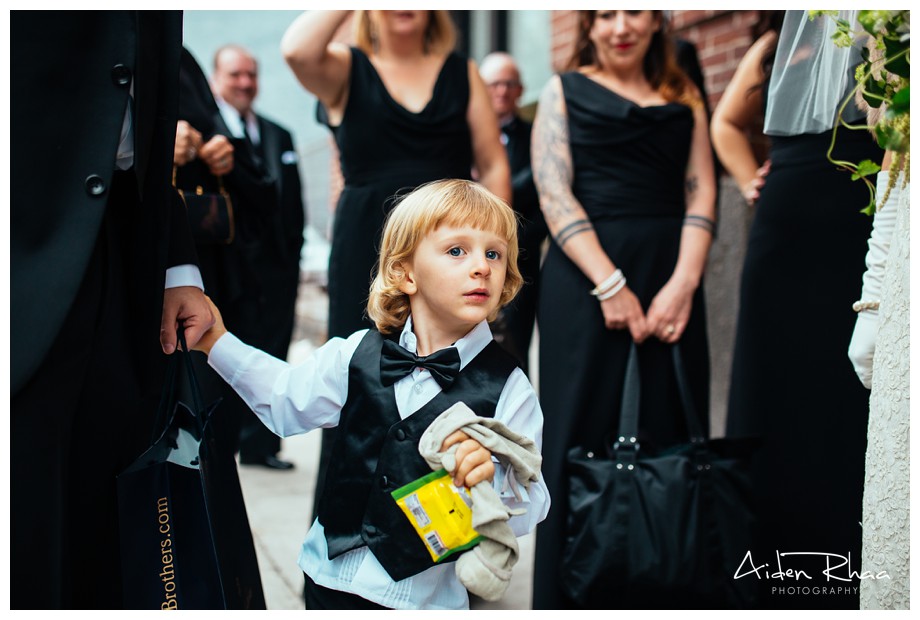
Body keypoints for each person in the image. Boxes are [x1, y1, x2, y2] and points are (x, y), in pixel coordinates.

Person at [192, 179, 549, 610]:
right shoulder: (354, 354)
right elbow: (284, 399)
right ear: (405, 273)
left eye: (494, 253)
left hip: (424, 599)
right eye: (457, 250)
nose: (482, 267)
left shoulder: (510, 387)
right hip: (328, 578)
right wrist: (217, 341)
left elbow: (532, 503)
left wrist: (491, 480)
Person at [10, 11, 215, 609]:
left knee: (99, 502)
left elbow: (143, 139)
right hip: (21, 245)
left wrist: (177, 262)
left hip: (120, 258)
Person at [281, 9, 511, 520]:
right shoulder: (344, 67)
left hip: (451, 252)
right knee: (360, 389)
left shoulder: (461, 71)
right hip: (367, 248)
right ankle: (344, 537)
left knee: (449, 388)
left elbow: (492, 162)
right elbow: (297, 51)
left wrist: (495, 251)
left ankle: (446, 543)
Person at [530, 10, 716, 609]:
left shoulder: (682, 90)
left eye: (633, 10)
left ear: (656, 21)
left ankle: (663, 586)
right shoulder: (562, 89)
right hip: (585, 278)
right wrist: (610, 284)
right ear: (588, 25)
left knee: (669, 429)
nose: (620, 26)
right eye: (604, 13)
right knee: (579, 434)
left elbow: (702, 186)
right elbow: (554, 191)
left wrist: (685, 282)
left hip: (673, 277)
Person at [719, 11, 880, 609]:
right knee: (774, 388)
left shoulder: (888, 33)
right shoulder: (772, 41)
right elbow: (727, 123)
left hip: (857, 226)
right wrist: (746, 180)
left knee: (844, 394)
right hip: (781, 227)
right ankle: (765, 564)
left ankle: (845, 559)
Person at [212, 43, 307, 470]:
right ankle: (221, 443)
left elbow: (294, 203)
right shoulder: (203, 131)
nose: (245, 83)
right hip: (227, 269)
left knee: (272, 351)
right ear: (217, 79)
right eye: (235, 75)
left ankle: (260, 446)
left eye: (251, 74)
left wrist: (293, 256)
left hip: (276, 270)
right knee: (224, 353)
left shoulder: (278, 133)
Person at [478, 52, 547, 374]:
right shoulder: (460, 136)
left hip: (521, 257)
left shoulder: (539, 136)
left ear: (520, 91)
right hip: (467, 257)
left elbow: (544, 195)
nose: (501, 91)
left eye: (509, 84)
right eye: (494, 84)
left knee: (515, 348)